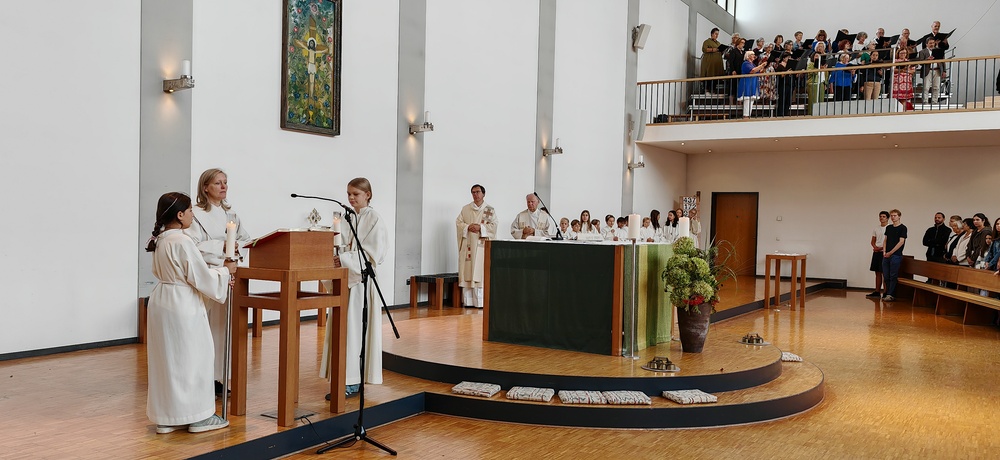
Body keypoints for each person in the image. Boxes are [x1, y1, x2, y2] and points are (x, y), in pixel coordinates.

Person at [145, 192, 235, 434]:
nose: (193, 216)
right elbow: (199, 277)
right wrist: (226, 272)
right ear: (180, 215)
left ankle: (167, 417)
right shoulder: (182, 241)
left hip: (162, 300)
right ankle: (199, 417)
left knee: (168, 360)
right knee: (194, 357)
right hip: (182, 304)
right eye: (190, 211)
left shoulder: (161, 239)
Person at [183, 168, 251, 396]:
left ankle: (219, 377)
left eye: (225, 182)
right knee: (207, 329)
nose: (223, 187)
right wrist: (220, 247)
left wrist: (235, 249)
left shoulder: (231, 215)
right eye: (217, 183)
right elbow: (190, 246)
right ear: (205, 188)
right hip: (207, 277)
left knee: (223, 329)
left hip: (228, 275)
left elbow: (245, 240)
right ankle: (201, 377)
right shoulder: (196, 215)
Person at [321, 177, 389, 397]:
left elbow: (373, 254)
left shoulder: (374, 219)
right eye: (348, 194)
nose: (351, 198)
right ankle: (341, 377)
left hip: (361, 284)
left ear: (367, 195)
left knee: (355, 331)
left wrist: (343, 259)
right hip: (344, 281)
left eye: (355, 194)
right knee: (342, 330)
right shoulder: (347, 218)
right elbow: (338, 244)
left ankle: (352, 381)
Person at [455, 184, 497, 308]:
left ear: (483, 194)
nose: (475, 194)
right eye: (473, 192)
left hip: (481, 246)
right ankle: (468, 302)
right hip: (468, 245)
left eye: (478, 192)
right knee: (468, 272)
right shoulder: (465, 209)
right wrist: (468, 227)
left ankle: (480, 302)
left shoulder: (489, 210)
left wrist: (480, 228)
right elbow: (459, 223)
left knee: (480, 273)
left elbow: (494, 226)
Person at [881, 209, 907, 302]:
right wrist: (884, 251)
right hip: (886, 254)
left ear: (899, 216)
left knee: (893, 275)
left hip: (896, 255)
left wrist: (891, 252)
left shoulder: (903, 228)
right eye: (891, 215)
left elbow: (901, 242)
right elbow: (885, 240)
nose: (893, 217)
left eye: (895, 215)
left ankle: (891, 294)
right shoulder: (889, 228)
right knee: (886, 275)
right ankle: (888, 292)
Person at [738, 51, 767, 119]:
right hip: (747, 83)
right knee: (747, 99)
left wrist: (762, 67)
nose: (754, 55)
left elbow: (758, 71)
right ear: (748, 56)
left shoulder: (753, 64)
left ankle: (749, 115)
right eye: (752, 54)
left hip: (752, 83)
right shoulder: (745, 63)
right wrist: (761, 66)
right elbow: (752, 71)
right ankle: (745, 115)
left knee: (751, 100)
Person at [867, 211, 889, 297]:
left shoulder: (889, 228)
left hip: (884, 252)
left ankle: (886, 292)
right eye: (880, 216)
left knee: (884, 273)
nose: (881, 218)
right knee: (877, 272)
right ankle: (877, 291)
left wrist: (881, 248)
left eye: (884, 216)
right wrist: (875, 247)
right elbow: (873, 241)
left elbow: (889, 242)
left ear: (887, 218)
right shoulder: (876, 228)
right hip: (877, 252)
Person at [917, 38, 943, 104]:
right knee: (926, 87)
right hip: (928, 70)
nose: (932, 44)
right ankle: (925, 101)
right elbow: (920, 62)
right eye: (930, 43)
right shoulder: (922, 52)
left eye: (933, 43)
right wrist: (927, 60)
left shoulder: (939, 51)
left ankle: (934, 101)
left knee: (936, 87)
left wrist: (944, 71)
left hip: (937, 70)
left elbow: (943, 61)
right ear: (926, 44)